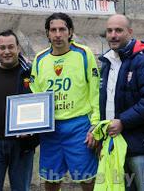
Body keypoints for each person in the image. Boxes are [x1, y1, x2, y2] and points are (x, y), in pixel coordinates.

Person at [30, 13, 100, 191]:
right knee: (51, 178)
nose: (58, 34)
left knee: (87, 178)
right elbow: (35, 93)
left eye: (62, 29)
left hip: (78, 126)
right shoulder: (39, 59)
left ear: (70, 32)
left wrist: (95, 124)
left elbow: (95, 91)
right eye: (53, 30)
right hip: (50, 128)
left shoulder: (84, 54)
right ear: (47, 34)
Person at [99, 14, 144, 191]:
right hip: (114, 144)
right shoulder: (106, 63)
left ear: (130, 32)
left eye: (119, 30)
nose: (113, 35)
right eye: (109, 30)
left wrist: (123, 121)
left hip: (140, 146)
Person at [0, 30, 39, 191]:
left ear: (18, 48)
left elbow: (41, 106)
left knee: (21, 188)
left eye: (11, 47)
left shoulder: (32, 73)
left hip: (21, 145)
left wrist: (32, 132)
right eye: (2, 47)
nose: (6, 52)